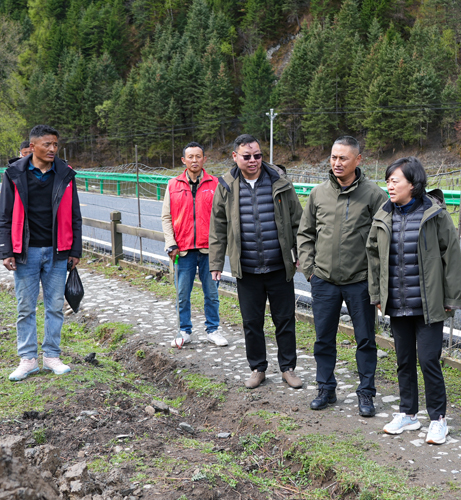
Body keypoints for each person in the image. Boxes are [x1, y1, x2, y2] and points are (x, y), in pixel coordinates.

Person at [366, 157, 461, 445]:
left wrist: (451, 297)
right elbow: (373, 257)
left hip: (429, 303)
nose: (389, 186)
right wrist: (377, 294)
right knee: (404, 360)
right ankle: (408, 413)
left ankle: (438, 419)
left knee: (428, 360)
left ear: (413, 184)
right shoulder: (383, 215)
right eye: (388, 181)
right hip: (397, 302)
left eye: (395, 181)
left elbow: (451, 257)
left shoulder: (435, 215)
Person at [297, 136, 388, 417]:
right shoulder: (318, 194)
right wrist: (310, 271)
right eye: (334, 157)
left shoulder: (374, 195)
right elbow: (305, 233)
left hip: (359, 281)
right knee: (323, 339)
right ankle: (326, 388)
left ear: (358, 160)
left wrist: (376, 280)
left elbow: (384, 240)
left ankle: (366, 392)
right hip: (324, 280)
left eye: (343, 158)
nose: (337, 163)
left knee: (366, 340)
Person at [209, 134, 303, 389]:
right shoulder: (226, 185)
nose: (253, 160)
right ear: (235, 156)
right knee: (252, 323)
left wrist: (300, 254)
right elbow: (218, 227)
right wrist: (215, 263)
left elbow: (298, 221)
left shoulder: (280, 182)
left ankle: (288, 368)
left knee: (285, 320)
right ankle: (258, 368)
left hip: (279, 266)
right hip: (247, 269)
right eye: (247, 156)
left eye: (258, 156)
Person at [0, 124, 82, 382]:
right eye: (47, 144)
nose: (53, 149)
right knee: (25, 307)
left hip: (58, 251)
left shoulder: (65, 174)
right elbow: (4, 215)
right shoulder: (14, 174)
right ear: (32, 147)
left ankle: (52, 356)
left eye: (55, 144)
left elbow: (75, 215)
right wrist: (6, 250)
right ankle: (28, 359)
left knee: (55, 306)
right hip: (26, 252)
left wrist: (75, 249)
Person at [161, 142, 227, 348]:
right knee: (182, 294)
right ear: (184, 160)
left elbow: (223, 217)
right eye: (190, 157)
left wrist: (220, 246)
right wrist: (171, 243)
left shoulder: (216, 184)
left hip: (210, 250)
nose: (194, 160)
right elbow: (166, 217)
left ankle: (213, 330)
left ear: (204, 159)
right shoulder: (173, 185)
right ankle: (184, 330)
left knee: (212, 293)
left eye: (198, 156)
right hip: (183, 250)